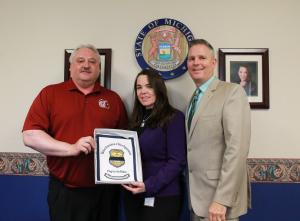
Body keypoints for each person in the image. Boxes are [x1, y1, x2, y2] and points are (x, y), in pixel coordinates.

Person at [22, 44, 128, 221]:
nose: (86, 65)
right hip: (65, 192)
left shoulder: (113, 99)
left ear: (99, 68)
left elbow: (125, 142)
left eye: (92, 61)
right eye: (80, 61)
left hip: (106, 193)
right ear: (70, 67)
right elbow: (30, 135)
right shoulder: (50, 94)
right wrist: (71, 148)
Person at [186, 39, 251, 221]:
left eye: (202, 58)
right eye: (191, 59)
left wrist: (222, 200)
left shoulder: (232, 92)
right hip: (196, 200)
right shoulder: (194, 98)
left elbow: (237, 149)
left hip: (219, 204)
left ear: (213, 62)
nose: (196, 62)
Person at [122, 69, 187, 221]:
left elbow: (177, 161)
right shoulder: (135, 120)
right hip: (133, 195)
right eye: (139, 87)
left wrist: (148, 186)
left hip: (162, 196)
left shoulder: (174, 118)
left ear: (158, 88)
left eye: (148, 86)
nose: (143, 91)